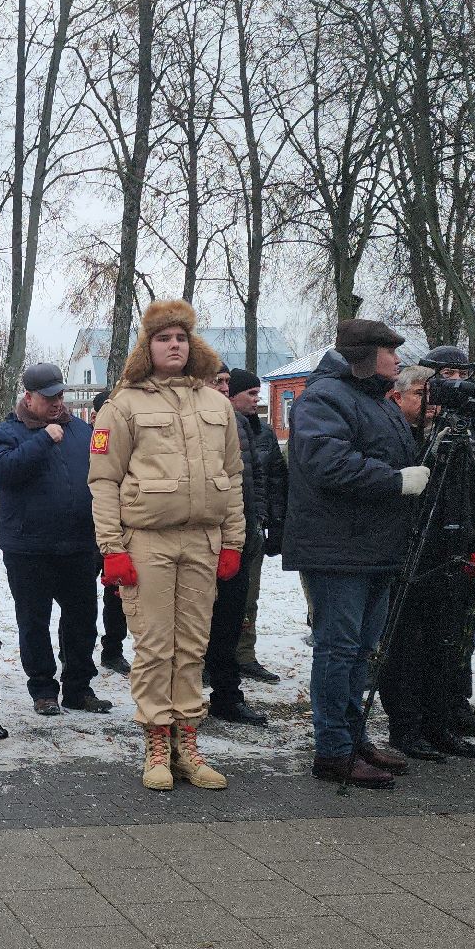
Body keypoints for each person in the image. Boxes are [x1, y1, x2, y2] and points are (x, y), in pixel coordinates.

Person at [91, 300, 241, 791]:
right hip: (146, 542)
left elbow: (234, 477)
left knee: (193, 646)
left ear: (191, 343)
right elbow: (104, 481)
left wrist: (233, 541)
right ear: (147, 347)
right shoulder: (123, 404)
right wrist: (112, 548)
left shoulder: (217, 404)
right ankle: (157, 742)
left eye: (180, 337)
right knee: (156, 646)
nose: (173, 345)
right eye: (163, 338)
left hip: (203, 539)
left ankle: (188, 744)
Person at [284, 319, 423, 790]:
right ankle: (333, 751)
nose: (398, 360)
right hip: (337, 549)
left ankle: (353, 737)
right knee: (338, 651)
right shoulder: (324, 398)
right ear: (366, 355)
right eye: (391, 352)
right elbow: (326, 462)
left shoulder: (372, 400)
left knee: (361, 651)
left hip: (372, 547)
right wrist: (395, 481)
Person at [373, 368, 475, 761]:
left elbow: (472, 484)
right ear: (397, 397)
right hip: (408, 550)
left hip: (451, 546)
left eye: (433, 392)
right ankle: (406, 727)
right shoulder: (394, 432)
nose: (431, 400)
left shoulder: (460, 431)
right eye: (421, 392)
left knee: (447, 642)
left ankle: (440, 724)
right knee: (405, 646)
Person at [0, 363, 111, 715]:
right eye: (49, 396)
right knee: (34, 622)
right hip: (29, 549)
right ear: (28, 397)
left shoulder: (83, 432)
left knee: (83, 620)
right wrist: (43, 439)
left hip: (78, 545)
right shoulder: (4, 433)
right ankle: (43, 689)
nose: (57, 402)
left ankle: (78, 687)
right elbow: (3, 474)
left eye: (61, 395)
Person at [201, 368, 269, 725]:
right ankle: (180, 698)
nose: (226, 389)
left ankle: (227, 695)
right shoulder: (189, 419)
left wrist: (254, 523)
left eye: (228, 383)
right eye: (218, 382)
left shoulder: (239, 422)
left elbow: (253, 477)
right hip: (197, 538)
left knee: (230, 618)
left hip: (238, 536)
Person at [226, 371, 284, 685]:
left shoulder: (264, 434)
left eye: (257, 392)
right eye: (249, 393)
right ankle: (214, 657)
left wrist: (272, 523)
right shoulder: (219, 427)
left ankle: (245, 654)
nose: (256, 399)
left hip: (253, 527)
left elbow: (273, 479)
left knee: (250, 596)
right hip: (221, 529)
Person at [89, 390, 129, 677]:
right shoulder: (81, 439)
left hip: (119, 527)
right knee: (80, 600)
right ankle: (74, 654)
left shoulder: (126, 442)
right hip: (85, 530)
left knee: (117, 595)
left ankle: (113, 649)